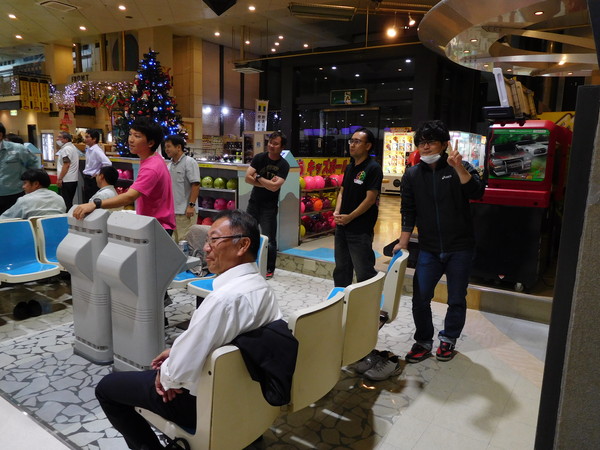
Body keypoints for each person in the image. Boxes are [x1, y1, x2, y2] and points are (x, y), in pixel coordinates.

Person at [95, 209, 282, 450]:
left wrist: (166, 378)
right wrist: (177, 352)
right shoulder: (262, 288)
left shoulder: (224, 299)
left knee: (107, 388)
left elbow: (177, 373)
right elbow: (230, 340)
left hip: (202, 403)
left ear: (243, 245)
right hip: (246, 395)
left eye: (214, 240)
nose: (205, 248)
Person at [394, 120, 485, 363]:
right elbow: (408, 210)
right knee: (420, 298)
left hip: (460, 248)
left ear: (444, 144)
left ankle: (449, 339)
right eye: (421, 143)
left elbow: (477, 192)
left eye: (431, 142)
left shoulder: (461, 167)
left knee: (456, 298)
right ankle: (423, 341)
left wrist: (459, 168)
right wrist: (403, 242)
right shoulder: (412, 174)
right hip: (429, 249)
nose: (425, 147)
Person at [73, 117, 175, 233]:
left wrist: (96, 204)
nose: (131, 140)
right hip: (155, 223)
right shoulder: (153, 159)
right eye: (130, 134)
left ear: (151, 143)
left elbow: (129, 197)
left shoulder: (151, 167)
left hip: (158, 226)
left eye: (137, 136)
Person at [333, 127, 383, 287]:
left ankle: (367, 302)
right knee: (341, 269)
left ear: (368, 146)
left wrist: (350, 217)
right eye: (351, 141)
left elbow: (370, 199)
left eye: (357, 141)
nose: (352, 145)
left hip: (360, 229)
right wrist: (337, 211)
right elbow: (342, 191)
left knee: (364, 271)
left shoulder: (373, 168)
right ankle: (340, 298)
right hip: (342, 226)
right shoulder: (350, 167)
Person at [244, 131, 290, 279]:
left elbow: (275, 187)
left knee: (269, 239)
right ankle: (248, 264)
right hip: (253, 203)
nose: (271, 145)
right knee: (248, 233)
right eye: (270, 142)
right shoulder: (259, 158)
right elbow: (247, 178)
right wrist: (267, 183)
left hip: (269, 207)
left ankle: (269, 268)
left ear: (282, 147)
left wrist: (258, 176)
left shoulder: (284, 165)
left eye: (275, 144)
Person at [165, 134, 200, 242]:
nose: (166, 150)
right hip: (173, 212)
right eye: (165, 147)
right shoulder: (169, 165)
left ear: (178, 147)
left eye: (169, 146)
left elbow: (196, 185)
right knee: (174, 242)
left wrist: (191, 206)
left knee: (185, 242)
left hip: (186, 212)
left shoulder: (189, 162)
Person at [0, 123, 40, 214]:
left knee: (14, 221)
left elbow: (34, 165)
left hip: (14, 194)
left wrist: (31, 185)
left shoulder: (18, 149)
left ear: (0, 135)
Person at [0, 169, 66, 219]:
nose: (23, 187)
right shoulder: (59, 198)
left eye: (25, 183)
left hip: (32, 232)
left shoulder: (24, 201)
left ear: (36, 184)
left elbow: (4, 219)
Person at [82, 129, 111, 202]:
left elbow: (108, 163)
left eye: (87, 137)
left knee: (92, 200)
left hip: (92, 179)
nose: (85, 139)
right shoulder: (89, 149)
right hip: (87, 177)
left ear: (94, 139)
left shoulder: (96, 150)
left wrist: (98, 173)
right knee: (87, 199)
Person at [56, 131, 81, 211]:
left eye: (60, 137)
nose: (57, 139)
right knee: (69, 202)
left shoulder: (66, 149)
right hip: (72, 179)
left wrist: (60, 178)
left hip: (66, 180)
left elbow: (66, 164)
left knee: (66, 204)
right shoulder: (72, 147)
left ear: (66, 139)